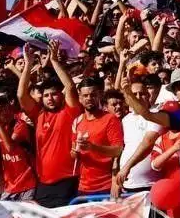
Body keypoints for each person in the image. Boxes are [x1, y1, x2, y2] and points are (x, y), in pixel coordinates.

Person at [18, 43, 83, 207]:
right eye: (46, 95)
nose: (50, 98)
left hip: (67, 180)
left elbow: (70, 87)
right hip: (43, 182)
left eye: (54, 94)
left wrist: (54, 60)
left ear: (61, 96)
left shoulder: (69, 111)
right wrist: (28, 64)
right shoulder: (38, 114)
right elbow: (21, 95)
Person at [71, 77, 124, 196]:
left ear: (99, 95)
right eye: (85, 95)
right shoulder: (77, 121)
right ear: (80, 98)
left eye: (93, 94)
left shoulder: (110, 119)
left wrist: (93, 147)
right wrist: (74, 152)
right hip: (84, 186)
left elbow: (117, 150)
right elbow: (74, 153)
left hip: (105, 186)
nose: (89, 98)